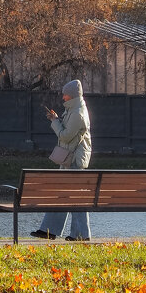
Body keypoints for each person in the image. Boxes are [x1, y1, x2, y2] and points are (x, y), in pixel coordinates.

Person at [32, 79, 93, 241]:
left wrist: (54, 122)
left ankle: (80, 234)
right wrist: (57, 119)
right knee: (62, 195)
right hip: (69, 159)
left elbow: (65, 136)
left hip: (73, 161)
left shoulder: (78, 113)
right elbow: (68, 132)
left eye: (65, 94)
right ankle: (49, 231)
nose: (63, 97)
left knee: (75, 198)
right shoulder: (74, 110)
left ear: (71, 95)